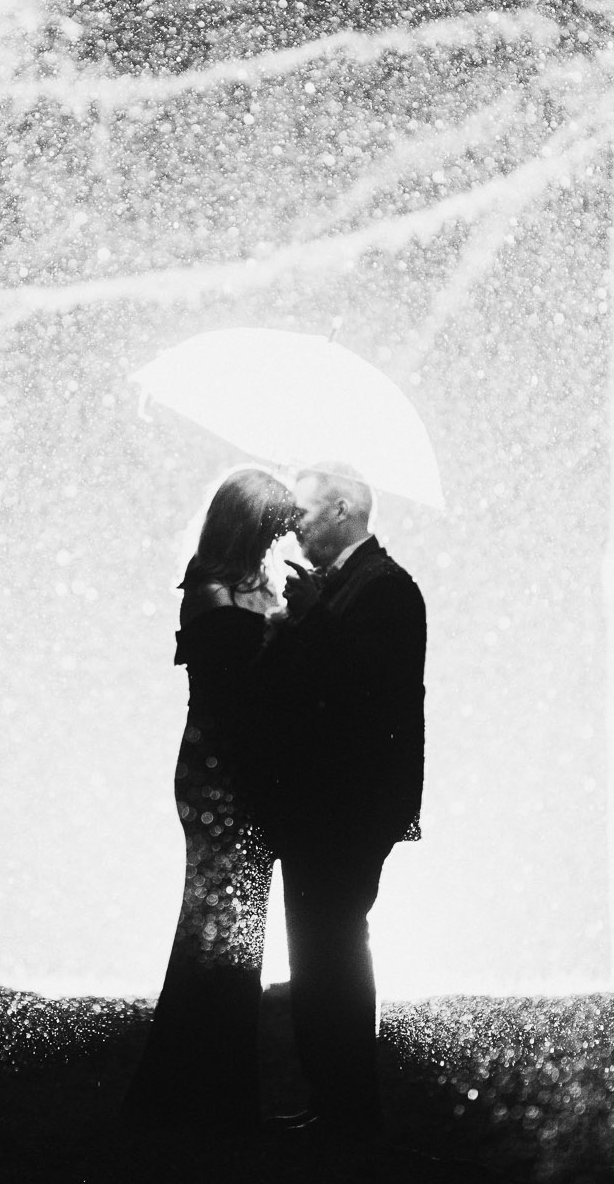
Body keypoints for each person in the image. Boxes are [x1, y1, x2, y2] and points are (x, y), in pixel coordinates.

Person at [125, 466, 300, 1130]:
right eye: (272, 529)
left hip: (240, 774)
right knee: (216, 935)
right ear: (246, 528)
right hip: (219, 776)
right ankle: (201, 1094)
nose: (280, 540)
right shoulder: (210, 592)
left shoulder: (251, 588)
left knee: (236, 933)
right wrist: (286, 628)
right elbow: (236, 688)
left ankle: (213, 1091)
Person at [257, 461, 427, 1138]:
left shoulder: (386, 587)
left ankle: (348, 1106)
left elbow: (369, 690)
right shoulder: (349, 585)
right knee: (319, 948)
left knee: (332, 949)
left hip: (349, 805)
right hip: (330, 803)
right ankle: (336, 1098)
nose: (292, 524)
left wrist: (312, 618)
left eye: (302, 511)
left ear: (341, 511)